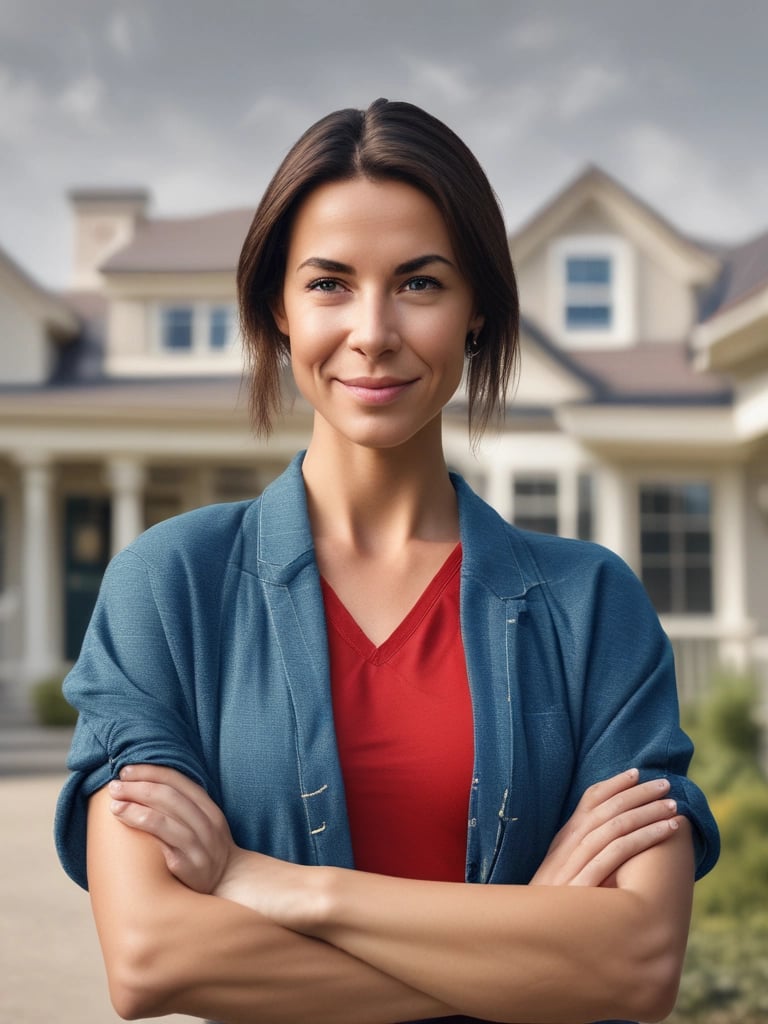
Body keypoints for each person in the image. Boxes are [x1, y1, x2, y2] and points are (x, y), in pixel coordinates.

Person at [55, 98, 719, 1024]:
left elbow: (638, 963)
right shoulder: (170, 589)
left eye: (419, 283)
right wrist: (533, 934)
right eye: (329, 284)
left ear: (476, 310)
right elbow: (152, 954)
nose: (373, 330)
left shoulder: (591, 607)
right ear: (276, 311)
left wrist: (277, 886)